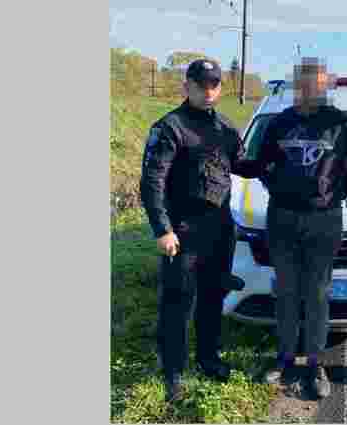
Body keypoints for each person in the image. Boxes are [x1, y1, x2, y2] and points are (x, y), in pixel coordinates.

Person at [139, 59, 263, 402]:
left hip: (220, 228)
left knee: (212, 296)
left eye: (214, 85)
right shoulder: (170, 127)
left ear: (220, 88)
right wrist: (162, 229)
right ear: (187, 87)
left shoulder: (225, 126)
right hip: (183, 228)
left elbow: (240, 164)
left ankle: (209, 358)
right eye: (200, 85)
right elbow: (152, 182)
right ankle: (174, 372)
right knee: (177, 301)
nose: (208, 91)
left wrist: (273, 159)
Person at [253, 57, 347, 399]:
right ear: (295, 86)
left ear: (325, 85)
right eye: (303, 84)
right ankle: (285, 359)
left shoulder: (340, 123)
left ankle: (315, 364)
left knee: (317, 293)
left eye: (315, 84)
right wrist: (280, 191)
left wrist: (333, 195)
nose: (308, 90)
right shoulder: (280, 122)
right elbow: (262, 165)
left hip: (324, 221)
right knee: (286, 291)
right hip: (283, 218)